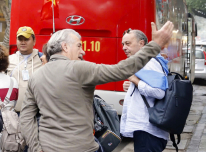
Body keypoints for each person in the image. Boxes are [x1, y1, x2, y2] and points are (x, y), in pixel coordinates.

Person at [20, 22, 174, 152]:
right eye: (79, 46)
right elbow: (121, 70)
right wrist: (154, 46)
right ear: (65, 47)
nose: (83, 51)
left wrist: (36, 148)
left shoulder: (36, 76)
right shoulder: (79, 69)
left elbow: (26, 118)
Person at [120, 29, 170, 152]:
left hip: (148, 131)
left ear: (141, 43)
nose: (124, 48)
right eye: (123, 44)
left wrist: (135, 80)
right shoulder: (145, 62)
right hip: (147, 130)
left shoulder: (149, 62)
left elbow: (159, 92)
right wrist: (132, 85)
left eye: (128, 43)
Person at [7, 26, 43, 113]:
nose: (23, 42)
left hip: (36, 113)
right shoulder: (8, 60)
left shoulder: (42, 59)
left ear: (34, 41)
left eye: (26, 39)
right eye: (20, 39)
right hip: (14, 112)